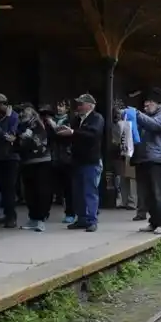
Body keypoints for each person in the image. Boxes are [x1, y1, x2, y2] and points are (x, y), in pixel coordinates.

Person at [55, 94, 104, 232]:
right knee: (77, 192)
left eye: (81, 104)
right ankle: (82, 219)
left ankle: (92, 220)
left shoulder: (97, 118)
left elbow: (93, 135)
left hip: (91, 160)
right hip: (77, 160)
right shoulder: (76, 119)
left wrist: (72, 132)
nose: (79, 106)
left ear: (90, 105)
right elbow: (73, 136)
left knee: (90, 191)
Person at [135, 88, 161, 234]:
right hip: (144, 158)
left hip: (157, 159)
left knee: (157, 192)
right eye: (144, 105)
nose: (145, 107)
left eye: (148, 103)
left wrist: (137, 114)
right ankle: (153, 221)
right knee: (147, 193)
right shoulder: (145, 117)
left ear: (156, 102)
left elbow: (154, 125)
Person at [16, 105, 53, 232]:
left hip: (41, 161)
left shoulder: (38, 125)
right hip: (27, 162)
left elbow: (36, 142)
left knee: (41, 191)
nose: (22, 114)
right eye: (21, 112)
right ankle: (33, 218)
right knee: (29, 193)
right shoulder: (21, 126)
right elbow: (18, 142)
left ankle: (41, 219)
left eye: (25, 111)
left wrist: (23, 140)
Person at [0, 93, 20, 229]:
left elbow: (10, 136)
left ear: (1, 104)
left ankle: (12, 217)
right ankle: (7, 214)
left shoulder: (13, 117)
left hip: (11, 157)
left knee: (9, 188)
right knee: (2, 187)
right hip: (0, 156)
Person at [49, 100, 74, 223]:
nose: (59, 108)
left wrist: (54, 127)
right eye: (58, 105)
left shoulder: (70, 120)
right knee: (54, 187)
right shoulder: (51, 120)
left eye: (62, 106)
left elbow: (66, 136)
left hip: (67, 158)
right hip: (55, 156)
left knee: (68, 187)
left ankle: (70, 212)